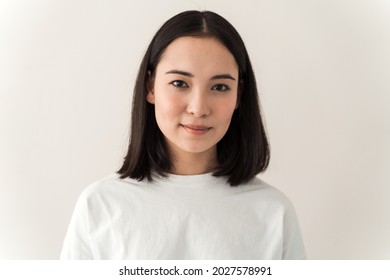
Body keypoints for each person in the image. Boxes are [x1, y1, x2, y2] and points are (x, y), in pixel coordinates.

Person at [60, 10, 306, 260]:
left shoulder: (274, 212)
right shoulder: (100, 206)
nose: (198, 108)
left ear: (238, 96)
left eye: (219, 87)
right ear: (150, 86)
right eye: (180, 83)